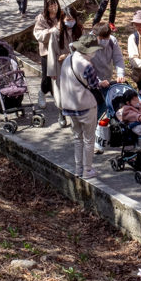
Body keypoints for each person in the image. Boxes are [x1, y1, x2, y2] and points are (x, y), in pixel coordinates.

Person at [56, 35, 103, 179]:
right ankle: (87, 170)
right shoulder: (86, 65)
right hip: (86, 106)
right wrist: (102, 83)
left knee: (77, 138)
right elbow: (94, 85)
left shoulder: (67, 59)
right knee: (89, 139)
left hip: (69, 106)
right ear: (88, 50)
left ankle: (78, 169)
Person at [88, 22, 126, 152]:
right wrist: (98, 81)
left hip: (107, 79)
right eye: (102, 39)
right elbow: (87, 66)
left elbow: (118, 59)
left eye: (106, 38)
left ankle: (98, 134)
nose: (104, 41)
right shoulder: (89, 43)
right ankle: (90, 135)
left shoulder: (112, 41)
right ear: (95, 35)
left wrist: (120, 74)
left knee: (106, 106)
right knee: (98, 106)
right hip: (91, 81)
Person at [47, 6, 83, 115]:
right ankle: (60, 112)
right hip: (60, 65)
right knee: (60, 90)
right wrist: (52, 71)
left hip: (75, 65)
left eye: (72, 19)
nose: (70, 22)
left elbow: (84, 47)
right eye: (68, 20)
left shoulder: (79, 30)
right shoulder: (56, 32)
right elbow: (51, 51)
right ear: (62, 19)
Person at [33, 0, 62, 108]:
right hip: (47, 52)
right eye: (51, 5)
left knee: (60, 75)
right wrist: (52, 31)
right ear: (47, 6)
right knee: (47, 77)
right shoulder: (41, 18)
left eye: (55, 3)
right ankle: (42, 92)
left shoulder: (62, 15)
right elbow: (38, 35)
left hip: (60, 51)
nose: (54, 6)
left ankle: (58, 96)